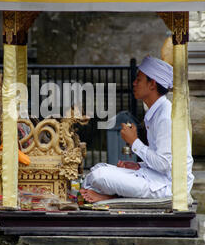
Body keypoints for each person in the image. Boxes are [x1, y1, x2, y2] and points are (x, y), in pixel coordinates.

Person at [80, 56, 194, 203]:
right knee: (96, 169)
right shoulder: (156, 111)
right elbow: (162, 160)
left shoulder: (166, 116)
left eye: (138, 80)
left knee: (99, 176)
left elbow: (164, 164)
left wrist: (134, 142)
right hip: (156, 177)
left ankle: (113, 197)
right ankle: (113, 196)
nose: (134, 83)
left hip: (169, 186)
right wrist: (138, 166)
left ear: (152, 84)